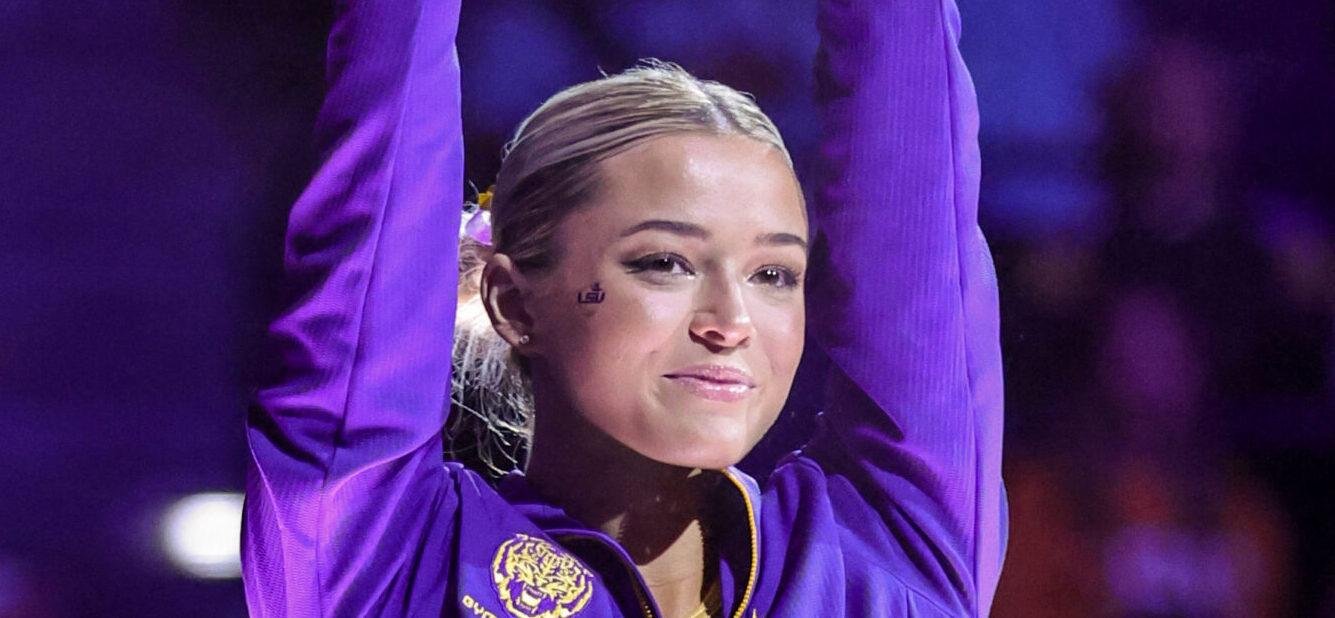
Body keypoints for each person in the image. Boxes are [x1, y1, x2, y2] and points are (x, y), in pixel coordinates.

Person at [241, 0, 1006, 616]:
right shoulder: (387, 565)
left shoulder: (884, 563)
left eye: (773, 273)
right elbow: (381, 174)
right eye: (664, 262)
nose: (729, 321)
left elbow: (915, 190)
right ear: (513, 300)